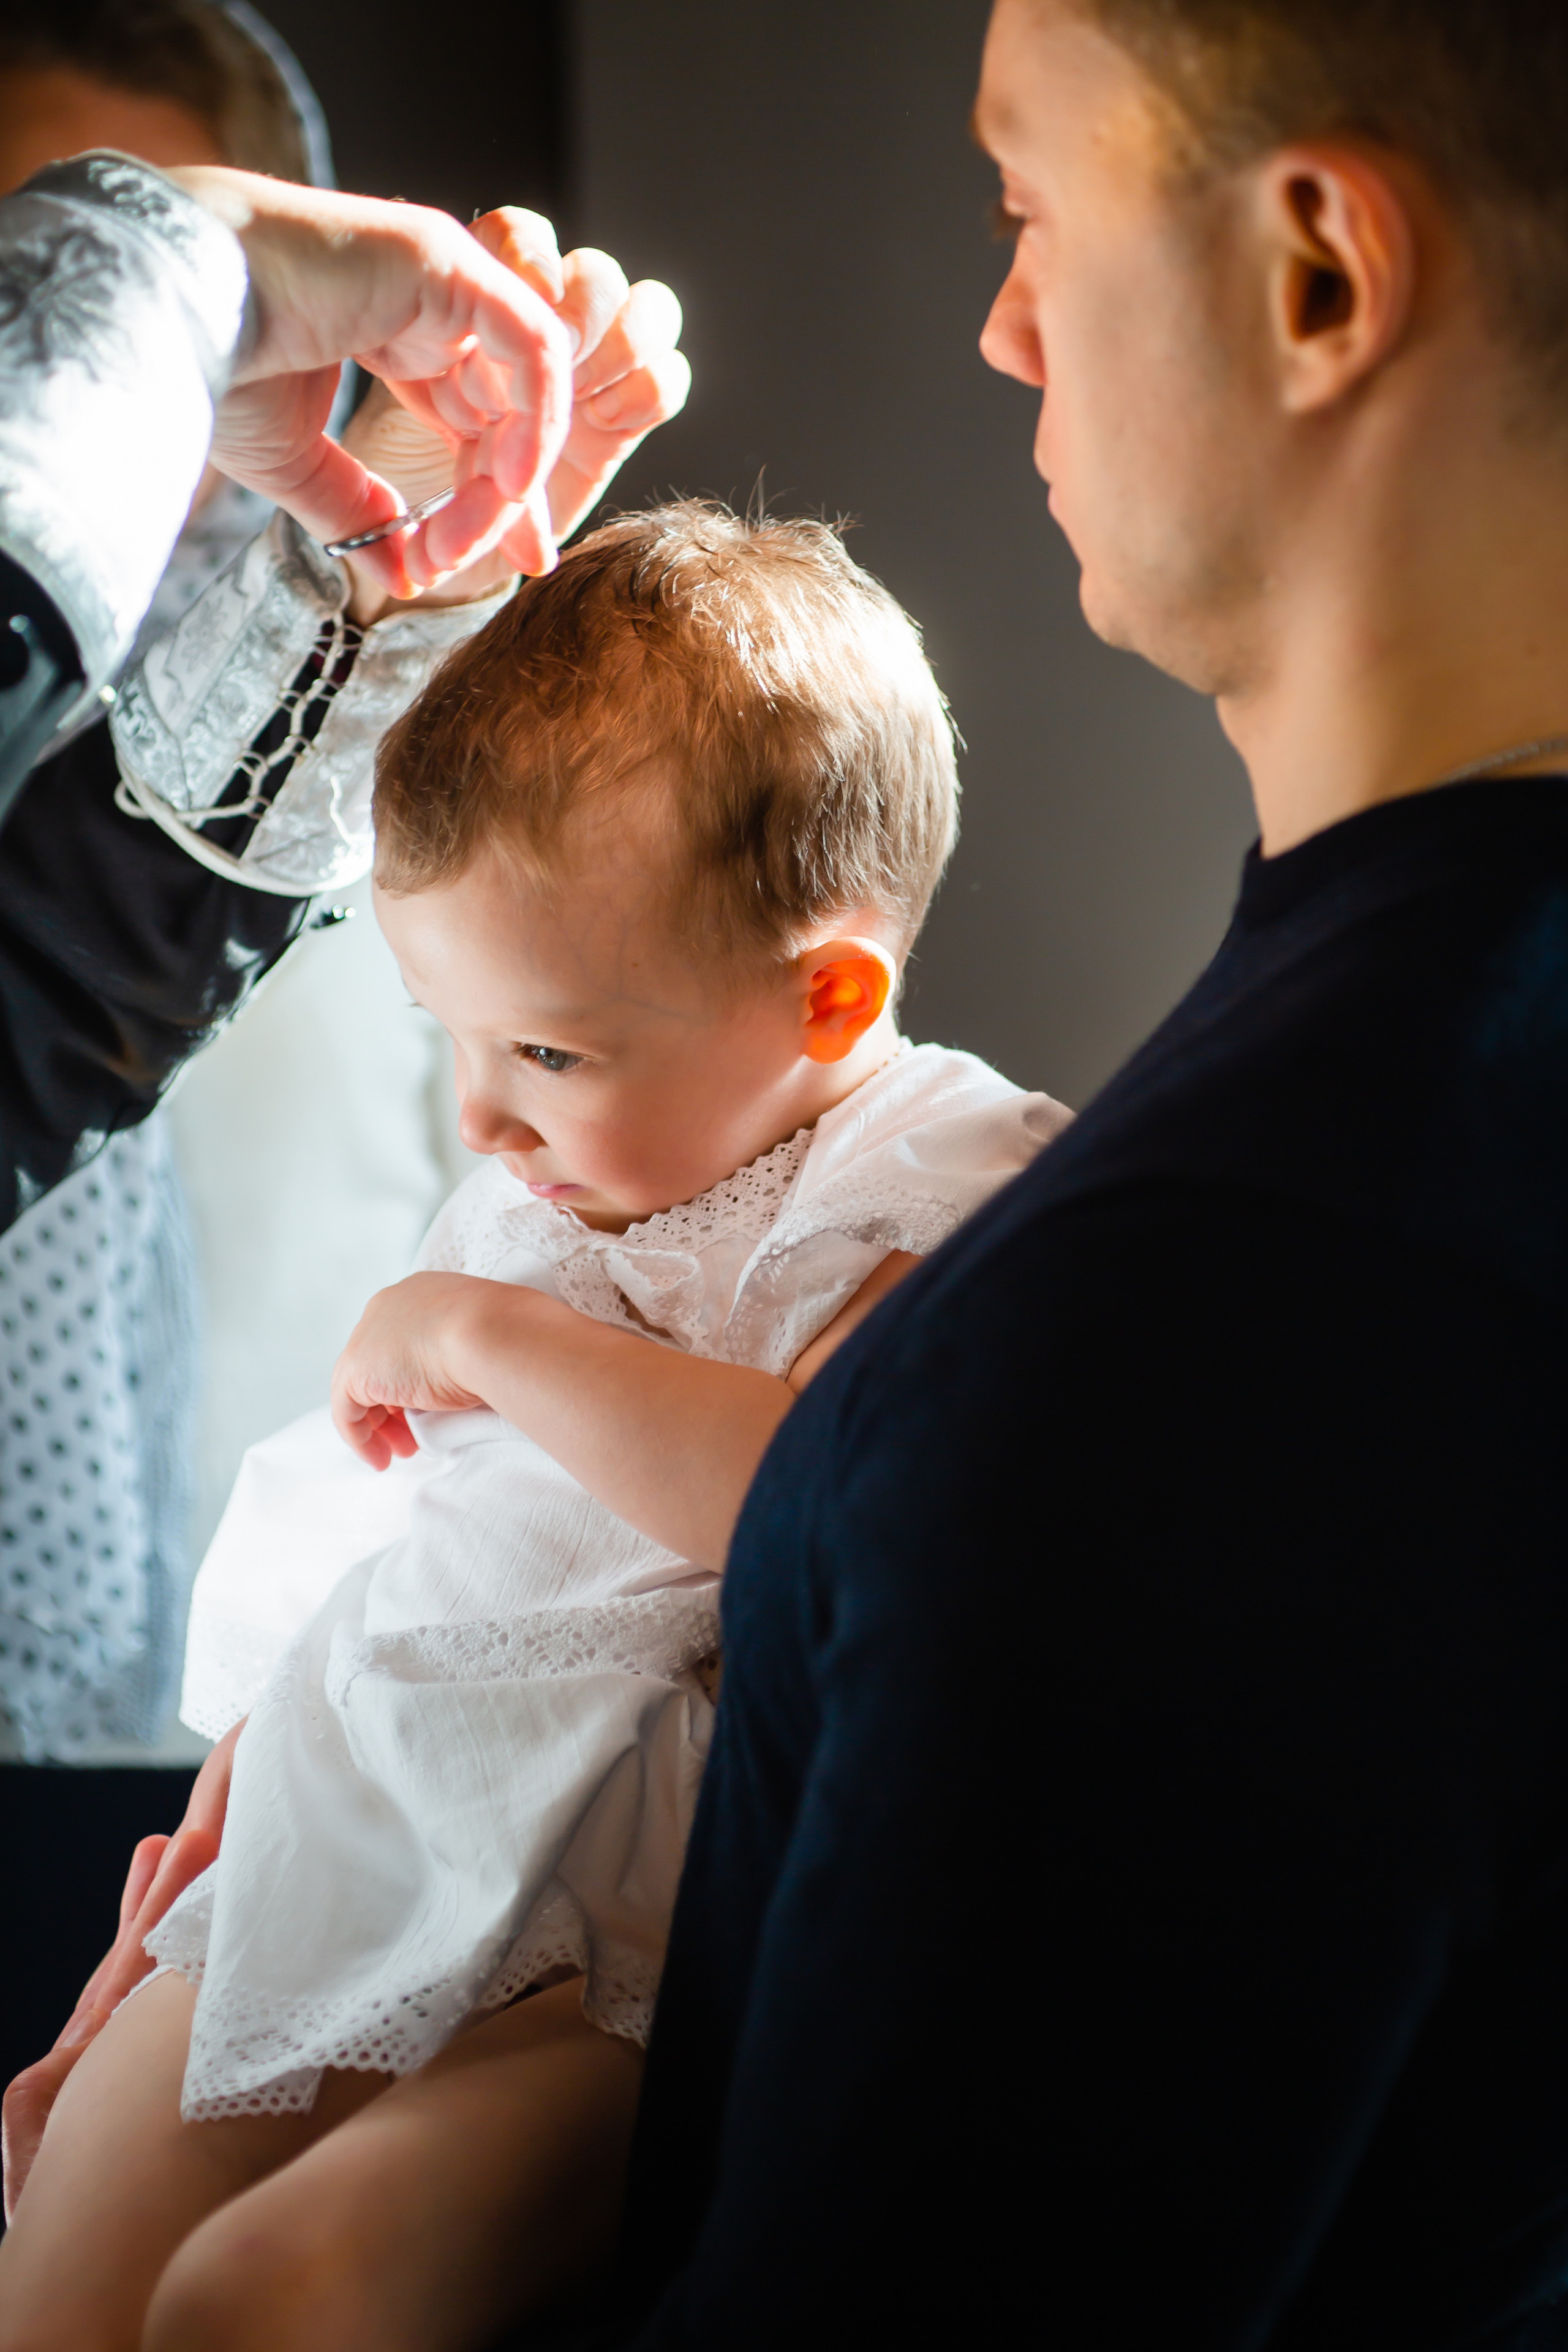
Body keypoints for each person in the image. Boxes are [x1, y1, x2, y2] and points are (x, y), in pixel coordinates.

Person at [0, 500, 1069, 2347]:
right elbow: (396, 1565)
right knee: (73, 2265)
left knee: (281, 2294)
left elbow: (811, 1507)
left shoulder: (936, 1174)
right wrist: (193, 1867)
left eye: (550, 1053)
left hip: (638, 1928)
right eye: (453, 1039)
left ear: (828, 996)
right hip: (357, 1819)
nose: (485, 1120)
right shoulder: (546, 1175)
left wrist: (494, 1340)